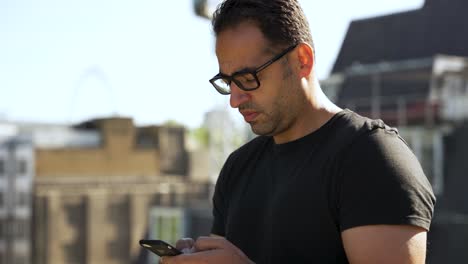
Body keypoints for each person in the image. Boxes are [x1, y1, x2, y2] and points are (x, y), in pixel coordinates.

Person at [162, 0, 436, 263]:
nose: (234, 99)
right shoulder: (238, 167)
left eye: (247, 79)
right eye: (228, 82)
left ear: (302, 60)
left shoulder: (372, 157)